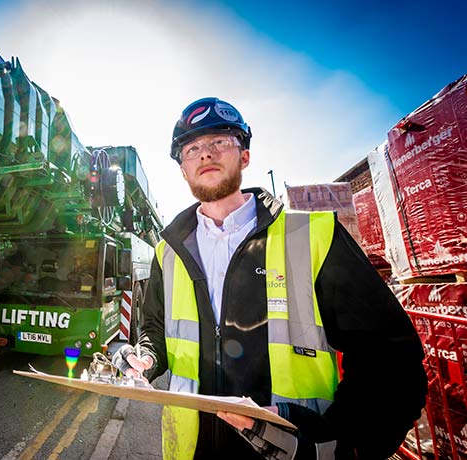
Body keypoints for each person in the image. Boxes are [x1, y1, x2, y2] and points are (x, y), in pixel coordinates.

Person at [112, 97, 427, 459]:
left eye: (219, 142)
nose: (204, 154)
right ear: (182, 169)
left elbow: (391, 359)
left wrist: (342, 440)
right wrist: (147, 357)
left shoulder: (312, 237)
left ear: (244, 156)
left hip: (288, 450)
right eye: (192, 148)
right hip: (192, 450)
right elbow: (154, 327)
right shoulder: (167, 252)